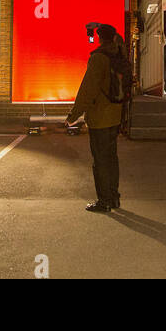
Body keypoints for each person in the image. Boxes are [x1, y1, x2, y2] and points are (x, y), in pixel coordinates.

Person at [66, 23, 128, 212]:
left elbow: (88, 89)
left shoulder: (98, 58)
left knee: (100, 160)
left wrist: (73, 115)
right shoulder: (119, 54)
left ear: (100, 38)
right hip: (116, 114)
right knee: (111, 158)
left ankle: (104, 201)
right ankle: (114, 197)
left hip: (100, 116)